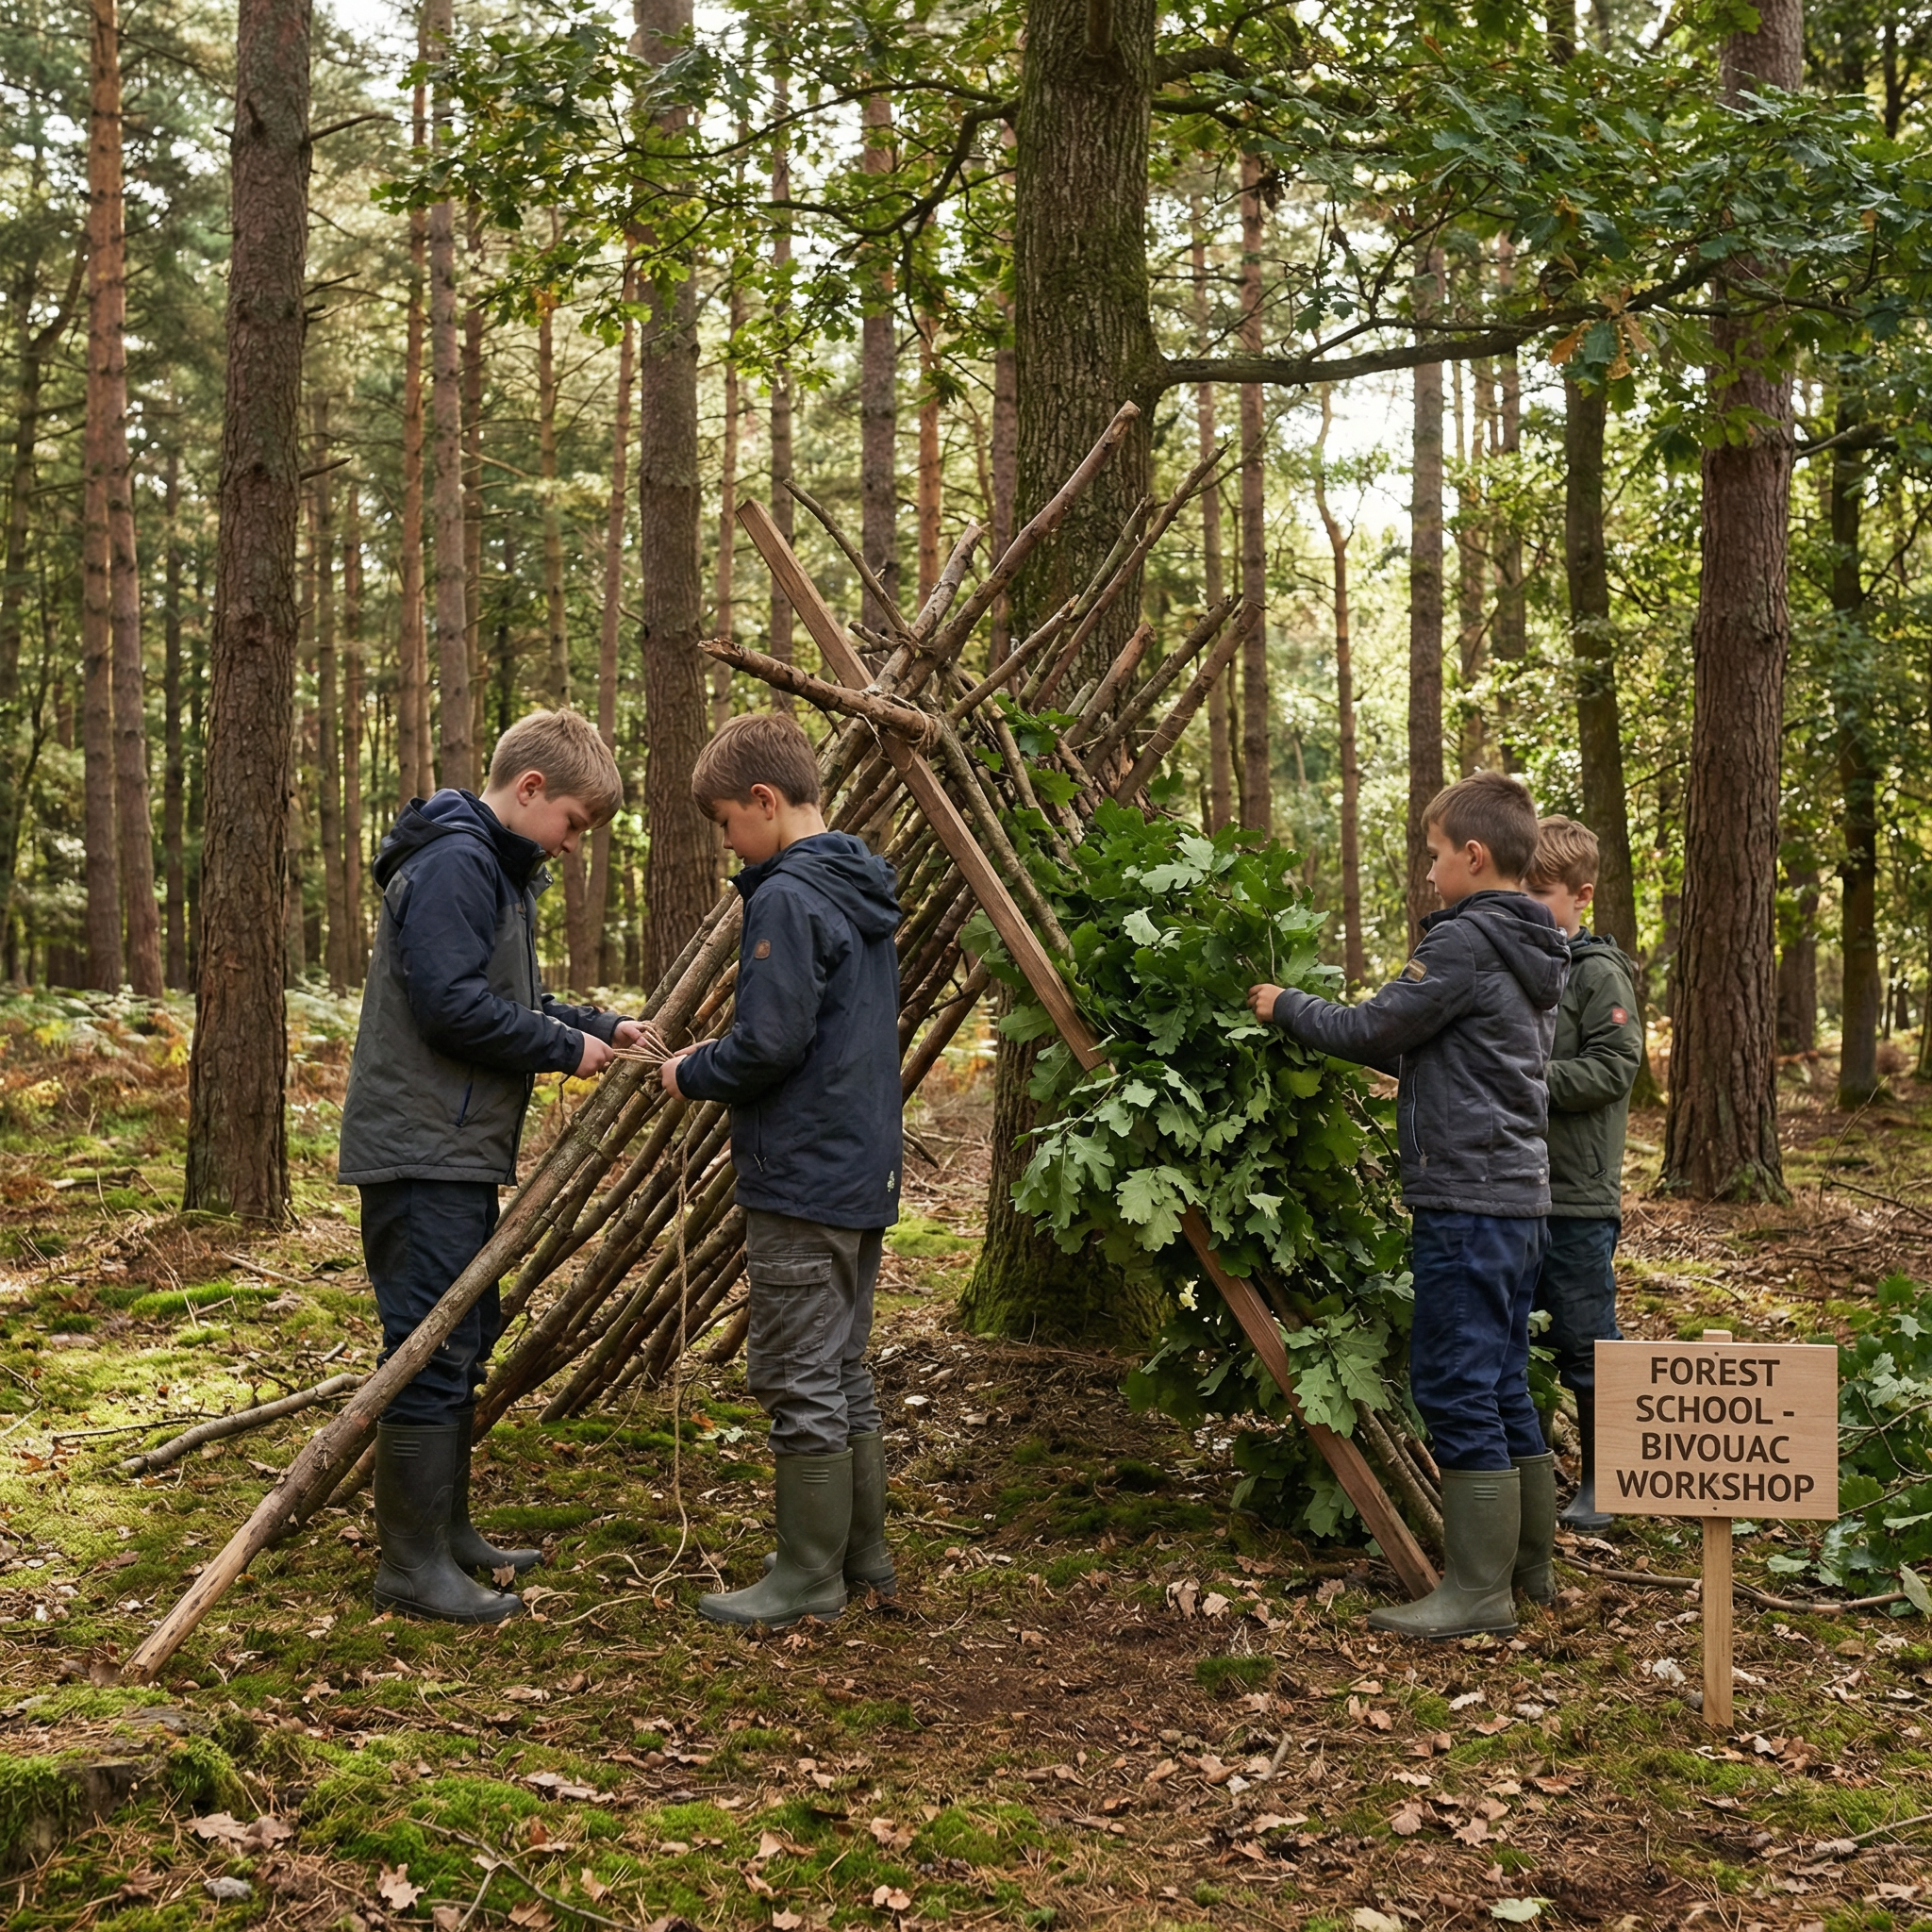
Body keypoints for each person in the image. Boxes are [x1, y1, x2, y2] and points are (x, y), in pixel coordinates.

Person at [339, 709, 646, 1624]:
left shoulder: (495, 870)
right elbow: (448, 1004)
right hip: (421, 1145)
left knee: (462, 1338)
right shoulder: (455, 864)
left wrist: (595, 1027)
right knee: (426, 1345)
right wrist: (557, 1047)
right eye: (574, 825)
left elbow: (514, 996)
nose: (570, 846)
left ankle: (448, 1534)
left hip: (456, 1145)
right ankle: (410, 1565)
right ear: (531, 790)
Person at [1246, 771, 1569, 1639]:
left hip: (1466, 1197)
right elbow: (1440, 1059)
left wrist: (1286, 1007)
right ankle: (1530, 1574)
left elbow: (1371, 1029)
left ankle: (1477, 1594)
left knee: (1457, 1383)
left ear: (1472, 854)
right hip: (1520, 1197)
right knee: (1503, 1382)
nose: (1429, 875)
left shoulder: (1465, 944)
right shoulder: (1533, 947)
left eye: (1434, 857)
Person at [659, 711, 903, 1630]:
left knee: (798, 1373)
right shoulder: (856, 885)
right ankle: (861, 1557)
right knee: (841, 1368)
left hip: (801, 1171)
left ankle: (806, 1574)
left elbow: (767, 1042)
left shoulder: (789, 895)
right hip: (857, 1170)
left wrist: (691, 1069)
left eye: (726, 820)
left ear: (763, 801)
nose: (726, 840)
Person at [1524, 815, 1644, 1531]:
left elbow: (1612, 1067)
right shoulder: (1524, 965)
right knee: (1526, 1338)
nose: (1531, 904)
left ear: (1581, 895)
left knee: (1587, 1338)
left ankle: (1608, 1481)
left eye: (1542, 892)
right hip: (1517, 1189)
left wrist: (1522, 1080)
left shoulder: (1599, 974)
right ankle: (1533, 1477)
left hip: (1578, 1196)